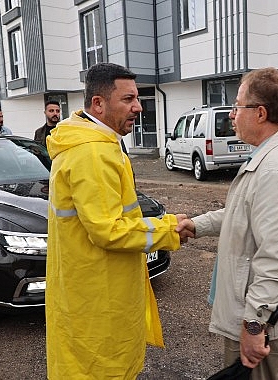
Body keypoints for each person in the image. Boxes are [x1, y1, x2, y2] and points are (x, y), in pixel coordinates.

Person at [45, 63, 187, 379]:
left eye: (136, 98)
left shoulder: (99, 144)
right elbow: (108, 230)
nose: (138, 106)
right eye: (128, 99)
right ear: (98, 103)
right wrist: (168, 229)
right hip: (98, 301)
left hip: (93, 291)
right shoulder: (92, 153)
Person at [177, 67, 278, 379]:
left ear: (260, 113)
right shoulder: (274, 156)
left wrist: (254, 325)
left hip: (268, 323)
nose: (231, 114)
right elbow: (245, 213)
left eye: (238, 105)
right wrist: (197, 225)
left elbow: (276, 258)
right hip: (275, 317)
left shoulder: (275, 170)